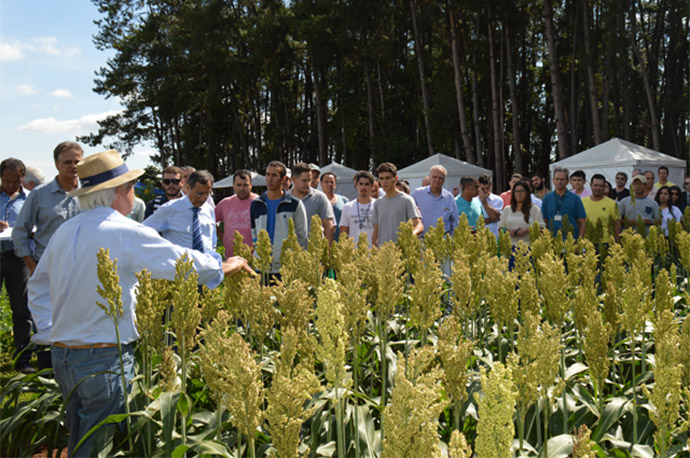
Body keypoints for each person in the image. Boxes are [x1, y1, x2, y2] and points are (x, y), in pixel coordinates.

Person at [28, 150, 252, 457]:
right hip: (104, 355)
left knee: (80, 434)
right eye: (131, 186)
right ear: (119, 192)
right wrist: (223, 266)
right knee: (98, 442)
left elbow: (38, 287)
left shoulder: (64, 231)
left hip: (62, 355)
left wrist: (51, 330)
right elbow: (178, 261)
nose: (134, 193)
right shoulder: (124, 231)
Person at [1, 158, 34, 373]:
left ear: (22, 178)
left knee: (22, 309)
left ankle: (22, 360)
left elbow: (37, 224)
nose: (11, 185)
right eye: (6, 180)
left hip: (18, 257)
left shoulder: (30, 199)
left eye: (15, 181)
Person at [250, 161, 308, 273]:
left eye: (274, 175)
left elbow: (302, 236)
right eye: (267, 174)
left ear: (283, 179)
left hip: (285, 268)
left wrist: (294, 259)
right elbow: (254, 235)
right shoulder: (256, 204)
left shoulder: (295, 204)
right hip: (261, 267)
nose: (269, 179)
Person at [143, 171, 218, 255]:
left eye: (207, 193)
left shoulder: (209, 209)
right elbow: (143, 231)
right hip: (180, 265)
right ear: (188, 188)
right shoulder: (169, 209)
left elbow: (212, 240)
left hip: (206, 264)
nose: (203, 198)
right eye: (199, 193)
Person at [372, 162, 422, 246]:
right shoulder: (377, 203)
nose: (384, 181)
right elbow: (376, 230)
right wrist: (374, 249)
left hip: (400, 252)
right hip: (382, 253)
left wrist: (409, 237)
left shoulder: (406, 200)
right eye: (381, 178)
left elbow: (419, 225)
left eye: (387, 178)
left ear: (395, 178)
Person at [215, 169, 258, 259]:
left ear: (251, 185)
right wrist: (223, 236)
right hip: (232, 258)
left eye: (245, 185)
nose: (242, 188)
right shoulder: (225, 203)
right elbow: (209, 221)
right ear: (233, 185)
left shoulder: (259, 202)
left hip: (254, 258)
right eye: (238, 185)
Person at [290, 163, 335, 243]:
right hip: (292, 251)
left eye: (309, 180)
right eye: (304, 180)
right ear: (293, 180)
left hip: (315, 251)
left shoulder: (320, 197)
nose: (308, 184)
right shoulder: (286, 199)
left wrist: (328, 251)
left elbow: (328, 225)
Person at [411, 165, 458, 236]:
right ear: (429, 177)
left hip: (443, 241)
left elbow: (454, 221)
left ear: (444, 180)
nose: (437, 180)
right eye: (434, 177)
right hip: (422, 240)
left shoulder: (449, 197)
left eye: (440, 178)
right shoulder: (417, 194)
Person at [541, 167, 587, 240]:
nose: (559, 181)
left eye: (562, 179)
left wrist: (579, 242)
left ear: (567, 181)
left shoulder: (575, 199)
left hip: (571, 241)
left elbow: (582, 222)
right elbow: (544, 221)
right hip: (552, 241)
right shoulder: (547, 199)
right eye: (557, 179)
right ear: (553, 180)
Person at [498, 180, 545, 246]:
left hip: (529, 248)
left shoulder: (534, 209)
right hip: (510, 247)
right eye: (516, 191)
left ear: (527, 193)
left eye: (521, 191)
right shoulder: (507, 210)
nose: (519, 193)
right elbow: (500, 228)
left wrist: (528, 230)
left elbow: (542, 228)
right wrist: (508, 232)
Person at [581, 174, 621, 244]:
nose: (598, 188)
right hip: (587, 241)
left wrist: (617, 242)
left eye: (601, 186)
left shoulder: (612, 203)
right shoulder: (582, 202)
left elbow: (617, 224)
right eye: (595, 185)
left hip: (606, 242)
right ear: (591, 185)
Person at [340, 171, 376, 246]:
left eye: (367, 184)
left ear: (372, 186)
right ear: (356, 185)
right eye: (361, 184)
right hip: (353, 253)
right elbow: (344, 232)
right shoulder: (347, 207)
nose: (363, 187)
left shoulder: (378, 206)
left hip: (373, 253)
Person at [320, 172, 349, 240]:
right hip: (322, 240)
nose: (329, 184)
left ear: (335, 184)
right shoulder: (317, 201)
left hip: (341, 240)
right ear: (321, 184)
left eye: (332, 182)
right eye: (326, 182)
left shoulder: (344, 201)